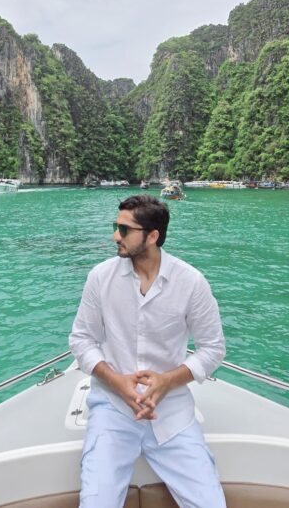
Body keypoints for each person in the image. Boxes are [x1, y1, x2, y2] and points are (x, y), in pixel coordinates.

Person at [69, 194, 226, 508]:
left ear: (152, 236)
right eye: (116, 226)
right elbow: (82, 340)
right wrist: (118, 382)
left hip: (172, 412)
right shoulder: (100, 278)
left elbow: (213, 349)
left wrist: (166, 381)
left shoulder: (191, 282)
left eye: (125, 230)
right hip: (113, 410)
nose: (115, 236)